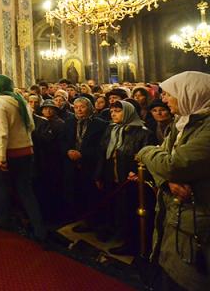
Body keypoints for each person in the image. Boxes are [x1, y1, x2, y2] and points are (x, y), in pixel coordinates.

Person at [137, 71, 210, 291]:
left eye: (169, 94)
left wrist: (144, 151)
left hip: (197, 224)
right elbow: (166, 166)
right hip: (174, 220)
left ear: (189, 93)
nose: (165, 100)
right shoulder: (181, 122)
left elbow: (172, 164)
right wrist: (167, 182)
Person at [0, 74, 47, 244]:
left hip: (11, 153)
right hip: (27, 151)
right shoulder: (20, 98)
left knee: (4, 188)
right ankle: (39, 229)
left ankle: (4, 220)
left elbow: (2, 132)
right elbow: (32, 126)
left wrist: (0, 157)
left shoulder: (0, 102)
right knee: (26, 191)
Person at [97, 100, 156, 255]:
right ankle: (118, 233)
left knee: (131, 212)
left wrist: (137, 173)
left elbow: (146, 158)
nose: (113, 114)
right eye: (112, 111)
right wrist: (99, 174)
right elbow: (103, 153)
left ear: (128, 112)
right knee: (117, 209)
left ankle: (133, 244)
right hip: (113, 177)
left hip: (131, 180)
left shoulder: (144, 132)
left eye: (118, 110)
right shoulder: (112, 129)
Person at [64, 97, 108, 228]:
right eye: (76, 107)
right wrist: (68, 151)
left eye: (82, 107)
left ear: (89, 108)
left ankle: (92, 222)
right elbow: (63, 140)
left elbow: (101, 147)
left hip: (90, 164)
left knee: (90, 195)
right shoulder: (69, 122)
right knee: (76, 192)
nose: (79, 110)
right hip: (72, 164)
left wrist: (83, 154)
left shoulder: (100, 124)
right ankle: (78, 217)